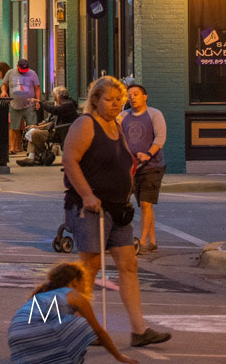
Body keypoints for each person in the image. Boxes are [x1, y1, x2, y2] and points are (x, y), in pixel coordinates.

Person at [62, 76, 171, 350]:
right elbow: (70, 160)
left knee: (128, 265)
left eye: (118, 100)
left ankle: (139, 330)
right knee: (90, 268)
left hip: (118, 209)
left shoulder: (117, 125)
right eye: (109, 100)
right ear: (96, 100)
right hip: (91, 208)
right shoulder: (85, 124)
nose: (115, 105)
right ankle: (77, 327)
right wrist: (87, 194)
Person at [8, 262, 138, 364]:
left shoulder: (41, 294)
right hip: (39, 333)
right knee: (81, 325)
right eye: (84, 282)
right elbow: (98, 332)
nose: (86, 287)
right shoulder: (74, 295)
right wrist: (118, 356)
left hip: (16, 334)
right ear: (75, 281)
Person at [120, 82, 167, 253]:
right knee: (143, 204)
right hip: (131, 167)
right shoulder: (123, 116)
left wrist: (148, 153)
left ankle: (142, 241)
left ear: (144, 96)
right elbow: (115, 136)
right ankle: (152, 240)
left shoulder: (154, 114)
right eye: (129, 95)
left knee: (146, 203)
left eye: (136, 94)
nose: (132, 97)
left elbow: (160, 138)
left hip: (152, 166)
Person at [7, 57, 42, 155]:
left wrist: (38, 101)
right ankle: (12, 148)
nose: (23, 71)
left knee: (32, 127)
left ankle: (32, 149)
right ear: (17, 66)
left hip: (29, 105)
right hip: (15, 105)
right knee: (14, 127)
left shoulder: (32, 74)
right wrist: (4, 91)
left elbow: (37, 88)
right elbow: (4, 84)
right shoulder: (10, 73)